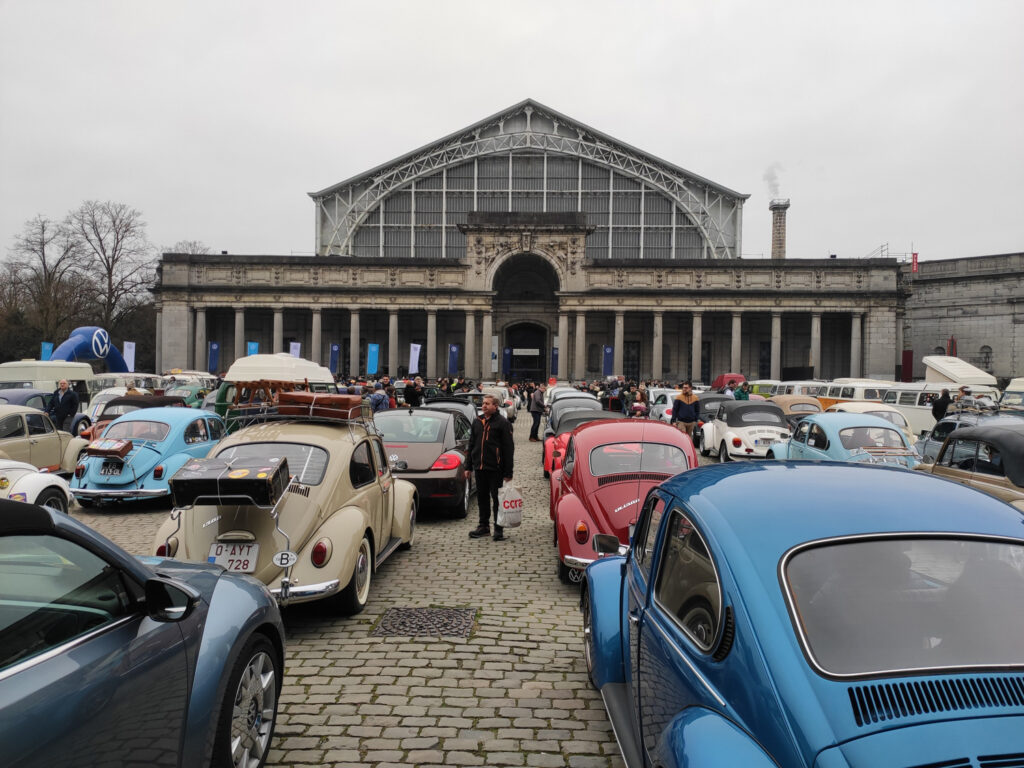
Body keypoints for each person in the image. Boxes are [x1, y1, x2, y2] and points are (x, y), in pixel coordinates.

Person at [464, 394, 515, 541]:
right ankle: (483, 526)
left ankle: (498, 529)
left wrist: (508, 471)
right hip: (480, 467)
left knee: (497, 499)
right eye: (483, 403)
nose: (484, 405)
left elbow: (508, 448)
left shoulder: (503, 423)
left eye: (488, 403)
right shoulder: (477, 421)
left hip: (496, 468)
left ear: (495, 406)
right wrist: (468, 466)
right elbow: (471, 444)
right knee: (482, 498)